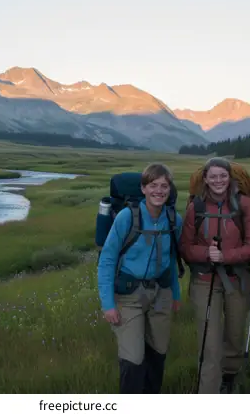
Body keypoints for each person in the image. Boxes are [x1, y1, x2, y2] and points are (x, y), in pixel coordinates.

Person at [97, 163, 182, 394]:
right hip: (128, 296)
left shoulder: (174, 220)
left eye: (164, 186)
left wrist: (175, 294)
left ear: (170, 189)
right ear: (143, 188)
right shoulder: (127, 217)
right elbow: (107, 261)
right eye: (153, 185)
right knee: (133, 358)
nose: (159, 191)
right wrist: (108, 304)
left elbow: (172, 259)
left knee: (158, 353)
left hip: (161, 294)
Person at [179, 157, 250, 394]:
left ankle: (230, 378)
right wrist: (207, 253)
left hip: (238, 279)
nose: (218, 181)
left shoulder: (243, 203)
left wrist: (225, 256)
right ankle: (208, 393)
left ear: (230, 177)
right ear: (205, 179)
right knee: (210, 344)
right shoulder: (197, 207)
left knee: (234, 336)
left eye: (222, 176)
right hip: (204, 280)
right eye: (212, 176)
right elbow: (185, 247)